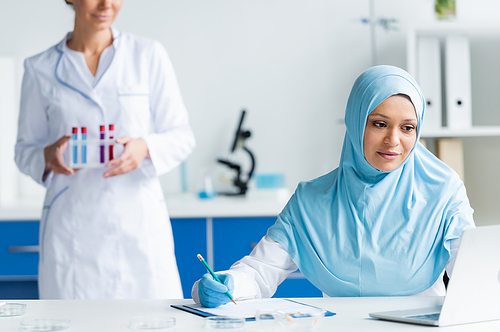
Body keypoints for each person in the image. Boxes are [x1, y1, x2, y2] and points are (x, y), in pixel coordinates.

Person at [191, 65, 475, 307]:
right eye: (379, 124)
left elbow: (475, 277)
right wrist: (227, 284)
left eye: (408, 127)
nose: (393, 140)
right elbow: (259, 272)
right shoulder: (312, 200)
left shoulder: (443, 192)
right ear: (355, 122)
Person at [15, 0, 195, 299]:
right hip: (72, 225)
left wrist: (145, 146)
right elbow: (24, 150)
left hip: (138, 220)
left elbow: (182, 135)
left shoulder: (147, 55)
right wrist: (47, 157)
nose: (106, 4)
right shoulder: (39, 68)